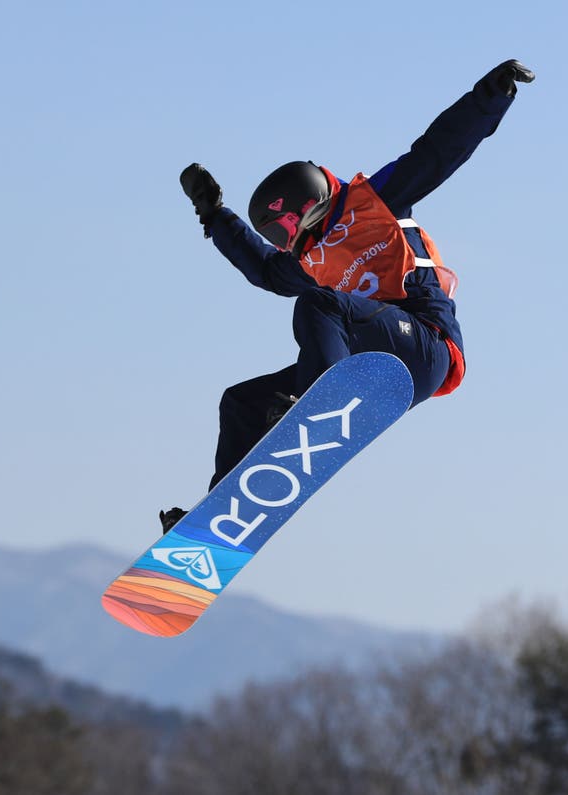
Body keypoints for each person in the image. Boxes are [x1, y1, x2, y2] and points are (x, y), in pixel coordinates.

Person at [162, 59, 535, 533]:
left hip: (425, 345)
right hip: (367, 366)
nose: (289, 243)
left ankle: (316, 403)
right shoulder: (309, 256)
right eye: (281, 238)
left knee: (320, 303)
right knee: (241, 402)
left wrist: (491, 96)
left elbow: (439, 152)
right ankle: (214, 519)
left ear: (311, 202)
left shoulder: (376, 201)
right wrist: (215, 216)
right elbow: (265, 272)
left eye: (288, 229)